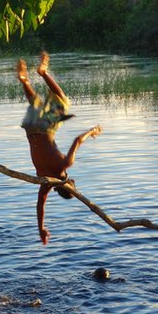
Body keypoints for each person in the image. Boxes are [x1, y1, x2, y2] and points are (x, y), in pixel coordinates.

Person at [18, 52, 102, 245]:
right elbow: (40, 206)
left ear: (71, 181)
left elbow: (78, 139)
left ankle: (43, 73)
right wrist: (40, 229)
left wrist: (93, 131)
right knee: (36, 104)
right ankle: (24, 81)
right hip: (30, 130)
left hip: (43, 128)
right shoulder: (45, 182)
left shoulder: (65, 163)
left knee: (63, 102)